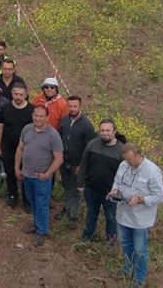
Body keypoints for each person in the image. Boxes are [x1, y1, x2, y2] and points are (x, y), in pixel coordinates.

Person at [111, 143, 163, 287]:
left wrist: (141, 199)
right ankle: (127, 269)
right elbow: (117, 181)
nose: (127, 162)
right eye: (125, 159)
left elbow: (160, 197)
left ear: (139, 156)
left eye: (129, 159)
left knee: (140, 250)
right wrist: (115, 191)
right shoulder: (124, 165)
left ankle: (139, 277)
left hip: (140, 221)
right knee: (126, 246)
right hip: (123, 216)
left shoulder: (152, 171)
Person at [15, 104, 63, 246]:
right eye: (36, 115)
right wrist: (17, 167)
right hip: (27, 175)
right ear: (32, 116)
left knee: (42, 204)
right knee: (32, 201)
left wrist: (47, 174)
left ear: (47, 117)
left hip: (41, 178)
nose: (38, 118)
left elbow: (59, 158)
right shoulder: (27, 129)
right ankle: (36, 223)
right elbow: (20, 148)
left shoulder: (53, 135)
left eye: (41, 116)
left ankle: (42, 231)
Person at [79, 119, 125, 244]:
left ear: (114, 131)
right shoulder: (92, 144)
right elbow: (84, 164)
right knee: (91, 213)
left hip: (111, 192)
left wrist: (120, 191)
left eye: (108, 130)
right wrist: (80, 183)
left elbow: (125, 175)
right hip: (91, 188)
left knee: (111, 217)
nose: (104, 133)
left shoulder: (122, 150)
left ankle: (111, 241)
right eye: (102, 130)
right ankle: (88, 236)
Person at [0, 83, 34, 208]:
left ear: (26, 95)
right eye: (16, 94)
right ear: (12, 94)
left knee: (26, 173)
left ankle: (27, 199)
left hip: (26, 148)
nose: (18, 97)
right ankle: (12, 195)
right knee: (10, 171)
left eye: (21, 94)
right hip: (8, 146)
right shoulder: (5, 108)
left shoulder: (32, 110)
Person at [58, 95, 95, 229]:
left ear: (80, 107)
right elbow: (60, 137)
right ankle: (67, 208)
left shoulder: (87, 126)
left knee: (76, 190)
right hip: (64, 161)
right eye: (70, 106)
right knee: (66, 185)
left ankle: (74, 215)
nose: (72, 109)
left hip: (77, 164)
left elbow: (89, 149)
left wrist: (82, 166)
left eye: (75, 106)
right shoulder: (64, 121)